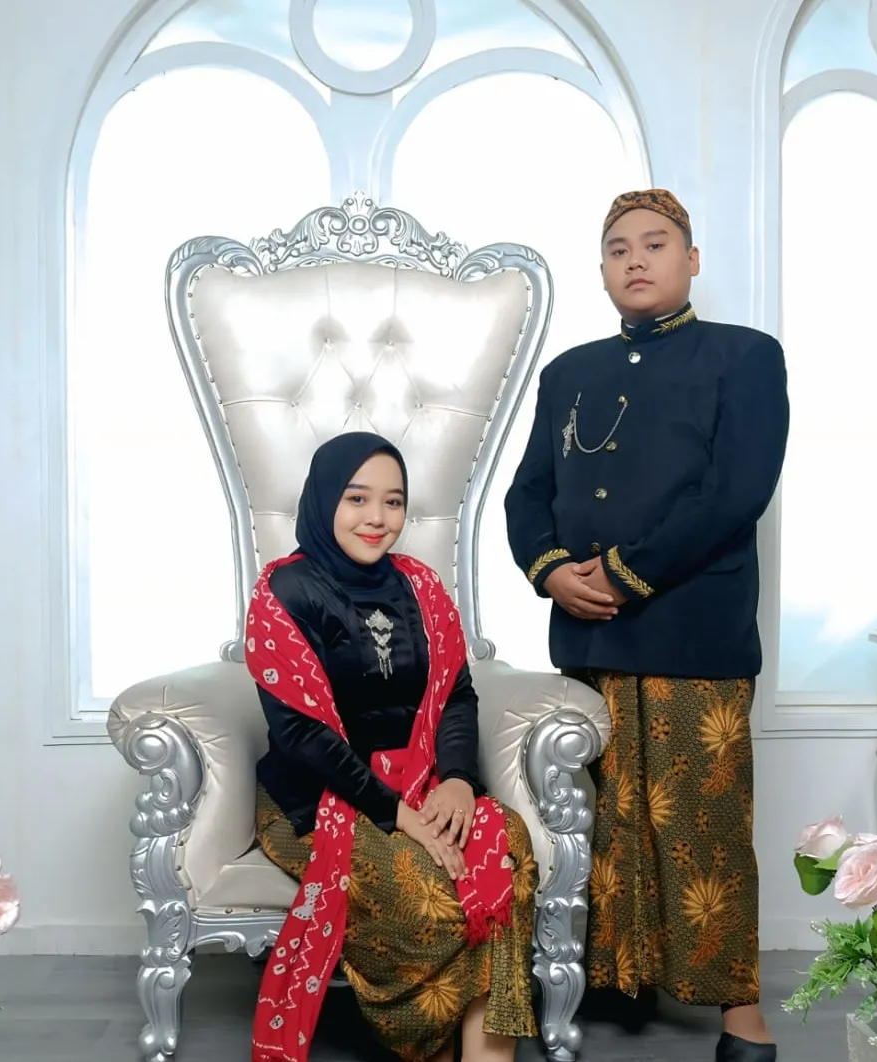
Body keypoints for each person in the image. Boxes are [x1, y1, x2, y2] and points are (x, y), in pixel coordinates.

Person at [504, 189, 789, 1062]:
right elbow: (527, 494)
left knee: (704, 829)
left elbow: (736, 494)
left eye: (656, 244)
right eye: (618, 247)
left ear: (691, 260)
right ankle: (608, 981)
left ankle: (742, 1016)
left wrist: (625, 574)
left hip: (694, 636)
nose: (635, 258)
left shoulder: (745, 357)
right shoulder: (569, 372)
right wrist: (551, 569)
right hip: (589, 638)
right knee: (598, 827)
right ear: (601, 271)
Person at [249, 432, 537, 1062]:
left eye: (393, 501)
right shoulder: (284, 592)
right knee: (423, 890)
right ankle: (429, 1047)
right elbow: (302, 735)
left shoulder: (421, 586)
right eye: (357, 498)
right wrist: (397, 812)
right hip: (316, 799)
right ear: (324, 499)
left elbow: (456, 693)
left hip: (423, 779)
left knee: (505, 845)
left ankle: (487, 1054)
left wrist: (457, 780)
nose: (377, 518)